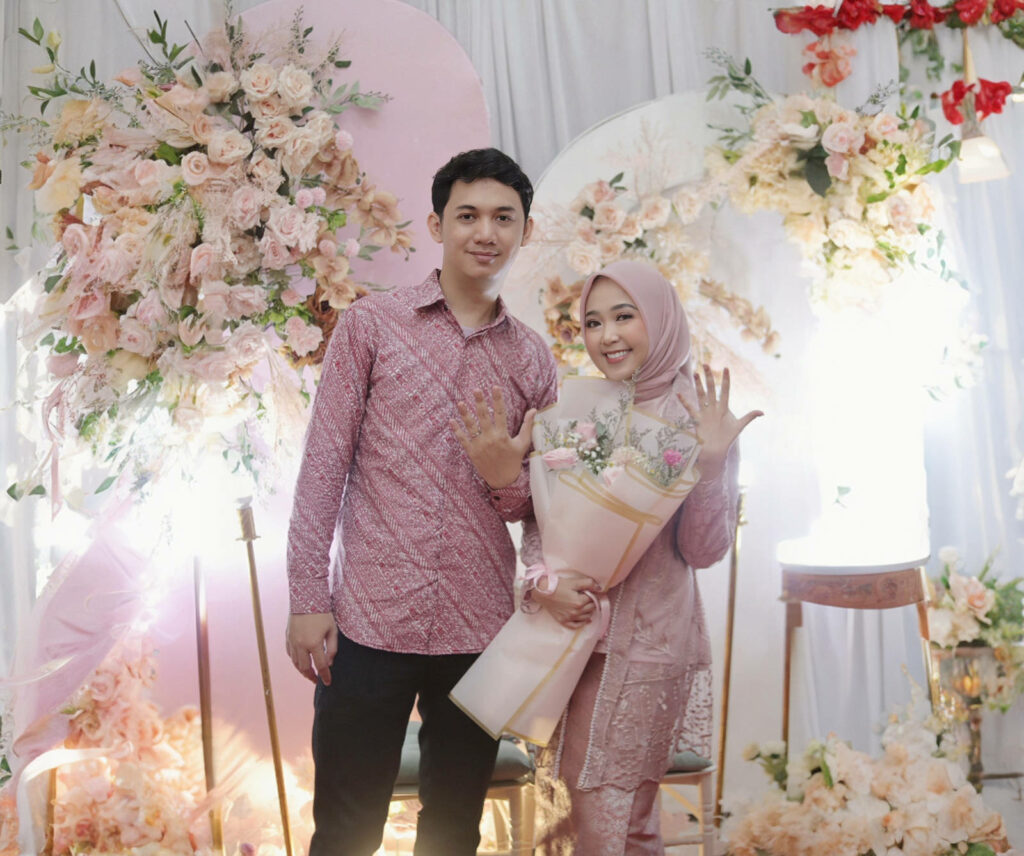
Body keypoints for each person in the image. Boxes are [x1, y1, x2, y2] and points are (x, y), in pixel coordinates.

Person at [284, 147, 558, 856]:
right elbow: (323, 467)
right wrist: (308, 598)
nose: (485, 232)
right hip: (368, 619)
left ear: (525, 231)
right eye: (468, 215)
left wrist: (504, 475)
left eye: (504, 218)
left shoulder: (533, 359)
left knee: (453, 831)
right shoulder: (371, 326)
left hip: (479, 628)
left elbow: (540, 507)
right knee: (345, 829)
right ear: (437, 225)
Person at [456, 259, 762, 854]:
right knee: (622, 821)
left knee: (602, 811)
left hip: (649, 647)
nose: (607, 336)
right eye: (593, 323)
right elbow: (545, 519)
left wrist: (712, 465)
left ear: (661, 320)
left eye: (625, 316)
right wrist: (543, 583)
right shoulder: (577, 408)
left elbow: (703, 550)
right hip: (572, 639)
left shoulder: (697, 419)